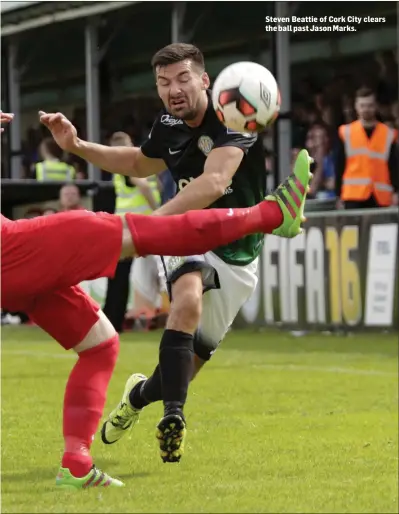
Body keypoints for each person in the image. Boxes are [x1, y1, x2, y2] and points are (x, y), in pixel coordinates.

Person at [38, 43, 313, 464]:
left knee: (177, 373)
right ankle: (174, 419)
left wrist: (152, 222)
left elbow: (214, 181)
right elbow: (137, 162)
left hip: (240, 254)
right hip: (187, 236)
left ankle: (139, 397)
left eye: (182, 78)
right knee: (185, 300)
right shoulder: (167, 123)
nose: (173, 90)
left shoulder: (233, 117)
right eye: (164, 83)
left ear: (205, 80)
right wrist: (77, 146)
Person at [103, 131, 160, 332]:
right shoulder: (136, 163)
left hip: (128, 227)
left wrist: (157, 209)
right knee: (167, 268)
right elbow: (149, 186)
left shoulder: (121, 166)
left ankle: (112, 319)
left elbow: (145, 186)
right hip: (143, 224)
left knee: (118, 275)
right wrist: (159, 210)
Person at [335, 87, 399, 209]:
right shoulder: (346, 132)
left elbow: (394, 166)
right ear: (356, 107)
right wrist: (338, 195)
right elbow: (339, 166)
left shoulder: (388, 134)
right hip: (352, 195)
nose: (366, 109)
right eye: (362, 105)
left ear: (375, 106)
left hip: (380, 195)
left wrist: (396, 191)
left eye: (369, 105)